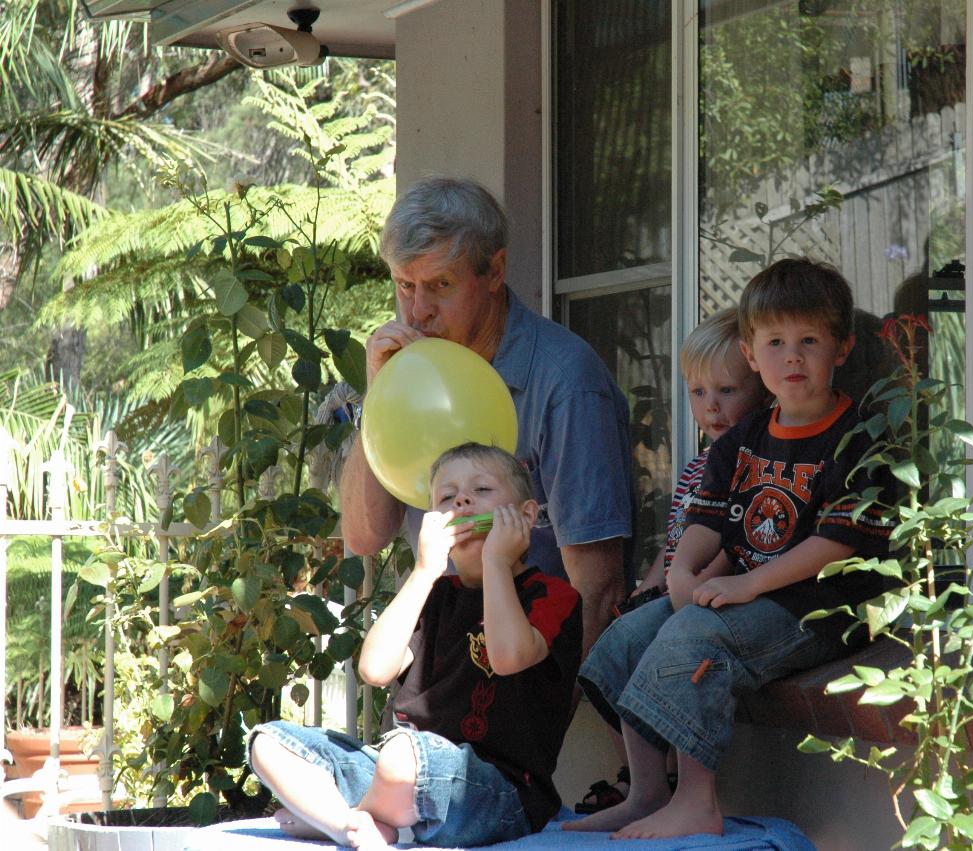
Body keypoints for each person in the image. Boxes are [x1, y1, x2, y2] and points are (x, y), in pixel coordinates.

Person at [567, 258, 894, 839]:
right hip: (749, 596)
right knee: (626, 638)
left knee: (696, 636)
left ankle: (697, 802)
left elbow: (837, 544)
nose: (792, 358)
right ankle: (646, 792)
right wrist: (682, 571)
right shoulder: (744, 438)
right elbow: (707, 518)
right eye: (775, 343)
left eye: (809, 341)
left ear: (841, 348)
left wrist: (746, 584)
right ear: (751, 353)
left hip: (822, 608)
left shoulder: (859, 438)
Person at [340, 177, 631, 653]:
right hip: (442, 665)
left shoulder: (565, 382)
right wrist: (379, 395)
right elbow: (363, 536)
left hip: (531, 668)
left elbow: (597, 590)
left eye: (441, 285)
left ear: (495, 271)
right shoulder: (410, 370)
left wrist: (550, 700)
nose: (417, 312)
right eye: (405, 286)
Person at [249, 443, 583, 849]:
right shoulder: (434, 593)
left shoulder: (552, 595)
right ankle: (350, 826)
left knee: (401, 757)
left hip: (499, 794)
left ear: (526, 516)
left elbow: (507, 656)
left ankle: (343, 814)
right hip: (401, 772)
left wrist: (496, 561)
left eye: (481, 490)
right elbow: (374, 669)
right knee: (268, 742)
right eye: (447, 497)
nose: (462, 501)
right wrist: (424, 571)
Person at [575, 308, 770, 815]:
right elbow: (679, 536)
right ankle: (639, 779)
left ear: (762, 389)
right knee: (611, 650)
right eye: (698, 392)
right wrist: (648, 582)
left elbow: (735, 541)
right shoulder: (700, 464)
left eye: (727, 390)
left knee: (661, 652)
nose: (712, 406)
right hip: (675, 586)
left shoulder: (755, 461)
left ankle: (665, 778)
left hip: (713, 594)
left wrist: (690, 583)